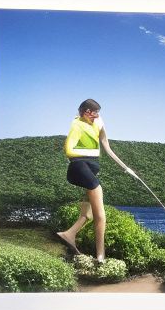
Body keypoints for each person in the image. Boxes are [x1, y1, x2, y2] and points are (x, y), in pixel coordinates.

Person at [54, 98, 135, 263]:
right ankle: (101, 255)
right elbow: (69, 150)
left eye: (98, 113)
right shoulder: (77, 125)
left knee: (88, 212)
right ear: (84, 112)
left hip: (90, 169)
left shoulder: (98, 122)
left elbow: (106, 146)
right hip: (79, 167)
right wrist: (91, 153)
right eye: (92, 113)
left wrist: (125, 168)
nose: (96, 116)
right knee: (101, 214)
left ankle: (69, 234)